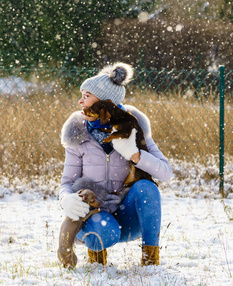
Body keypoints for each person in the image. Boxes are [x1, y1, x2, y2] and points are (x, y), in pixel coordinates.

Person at [59, 62, 173, 266]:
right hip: (97, 216)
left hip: (128, 217)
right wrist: (66, 200)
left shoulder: (135, 129)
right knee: (103, 232)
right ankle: (97, 256)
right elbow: (67, 182)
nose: (80, 101)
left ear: (105, 101)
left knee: (147, 188)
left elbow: (166, 173)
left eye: (86, 96)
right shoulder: (78, 135)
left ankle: (150, 261)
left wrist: (136, 155)